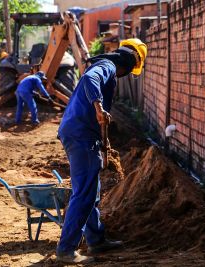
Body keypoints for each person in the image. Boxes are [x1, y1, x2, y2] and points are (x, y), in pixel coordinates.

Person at [56, 38, 147, 264]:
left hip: (80, 132)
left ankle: (96, 240)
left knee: (91, 190)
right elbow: (89, 79)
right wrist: (98, 106)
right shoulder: (107, 66)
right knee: (84, 192)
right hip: (81, 135)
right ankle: (66, 249)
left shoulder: (106, 65)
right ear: (128, 63)